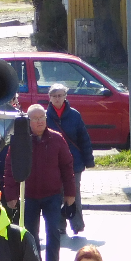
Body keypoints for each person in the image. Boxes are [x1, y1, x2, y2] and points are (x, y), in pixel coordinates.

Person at [4, 105, 76, 261]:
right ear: (28, 121)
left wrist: (70, 193)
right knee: (30, 235)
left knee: (53, 232)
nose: (40, 121)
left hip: (52, 195)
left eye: (42, 117)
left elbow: (67, 167)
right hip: (28, 196)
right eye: (35, 118)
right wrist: (11, 194)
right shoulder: (20, 141)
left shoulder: (56, 139)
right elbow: (10, 168)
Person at [45, 83, 94, 235]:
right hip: (53, 163)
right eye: (54, 96)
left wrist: (88, 160)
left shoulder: (74, 115)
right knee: (57, 195)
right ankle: (60, 226)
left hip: (74, 162)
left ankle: (77, 224)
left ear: (65, 96)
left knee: (74, 194)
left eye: (60, 95)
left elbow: (84, 139)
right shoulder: (45, 117)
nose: (57, 98)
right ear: (50, 98)